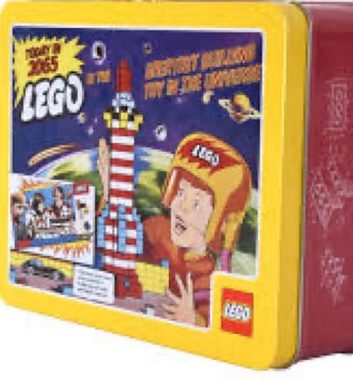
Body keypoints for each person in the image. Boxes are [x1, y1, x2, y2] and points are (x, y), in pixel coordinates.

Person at [98, 132, 252, 326]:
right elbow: (112, 242)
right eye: (180, 192)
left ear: (221, 222)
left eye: (196, 203)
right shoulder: (157, 229)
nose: (181, 206)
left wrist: (193, 320)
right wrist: (109, 194)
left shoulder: (206, 278)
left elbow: (216, 322)